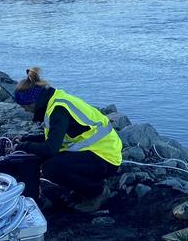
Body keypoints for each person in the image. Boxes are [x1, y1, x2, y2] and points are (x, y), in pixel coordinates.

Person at [12, 67, 123, 212]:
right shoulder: (53, 101)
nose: (25, 110)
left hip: (106, 157)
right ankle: (77, 190)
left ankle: (98, 192)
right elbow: (56, 137)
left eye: (25, 106)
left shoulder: (58, 110)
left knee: (51, 168)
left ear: (34, 102)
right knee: (44, 158)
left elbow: (50, 149)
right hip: (94, 151)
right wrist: (28, 139)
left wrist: (24, 146)